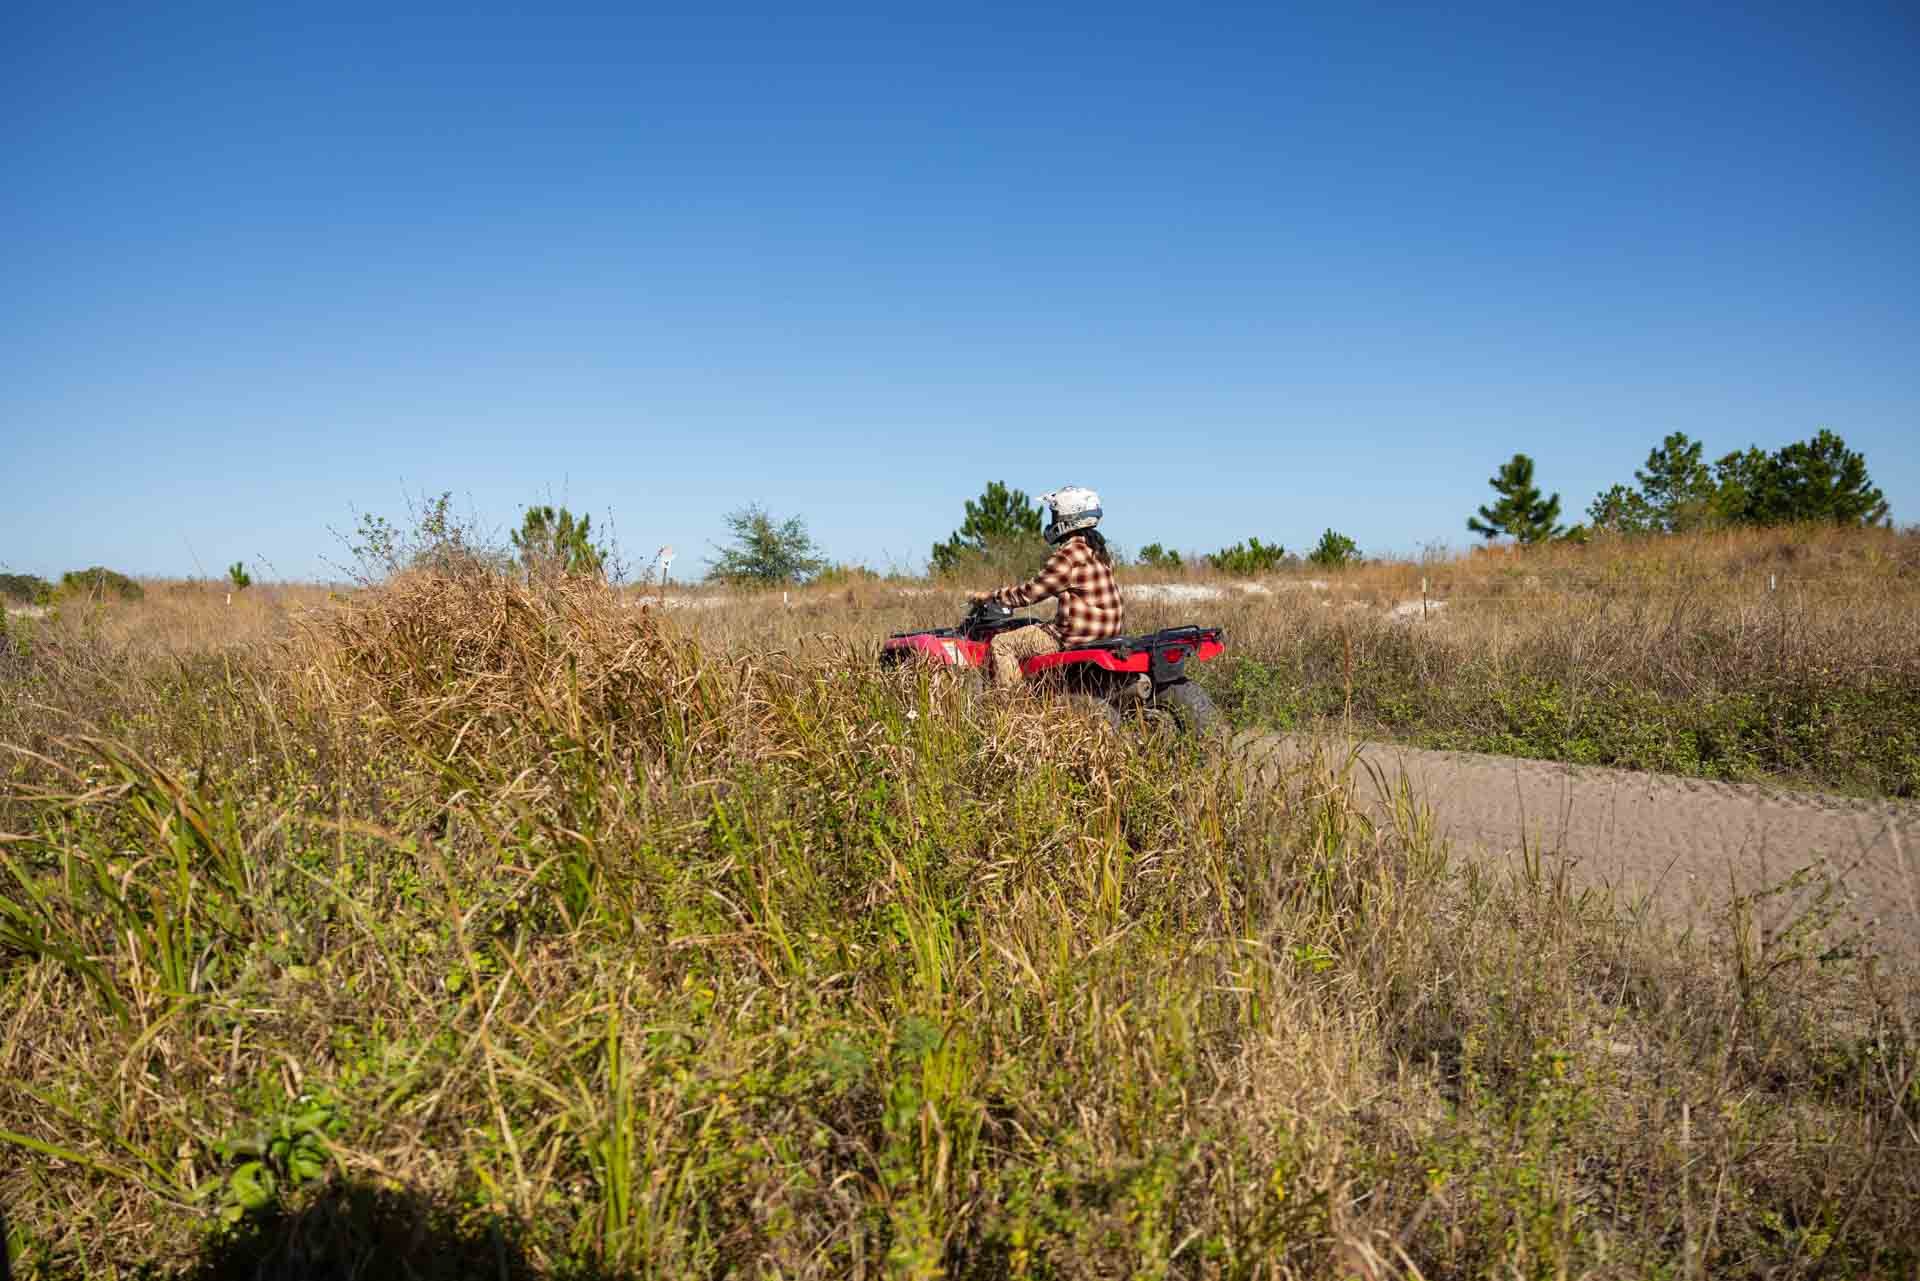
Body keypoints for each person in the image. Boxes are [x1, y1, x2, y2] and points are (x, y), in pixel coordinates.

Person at [968, 485, 1124, 687]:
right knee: (1038, 626)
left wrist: (992, 596)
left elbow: (1029, 594)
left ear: (1068, 518)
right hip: (1107, 631)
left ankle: (1009, 706)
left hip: (1074, 636)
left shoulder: (1068, 554)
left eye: (1055, 515)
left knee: (1001, 644)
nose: (1052, 521)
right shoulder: (1097, 549)